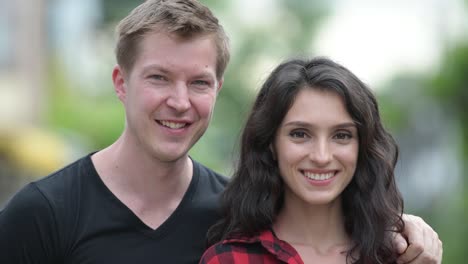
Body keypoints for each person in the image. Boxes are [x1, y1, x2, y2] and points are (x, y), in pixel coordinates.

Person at [0, 1, 441, 264]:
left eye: (198, 82)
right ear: (120, 82)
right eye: (158, 78)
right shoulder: (42, 213)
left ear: (218, 88)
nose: (179, 101)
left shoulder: (237, 214)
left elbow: (326, 228)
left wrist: (405, 226)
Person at [200, 57, 443, 264]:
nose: (321, 156)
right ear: (271, 144)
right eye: (300, 134)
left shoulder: (400, 255)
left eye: (341, 135)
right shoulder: (230, 259)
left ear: (362, 147)